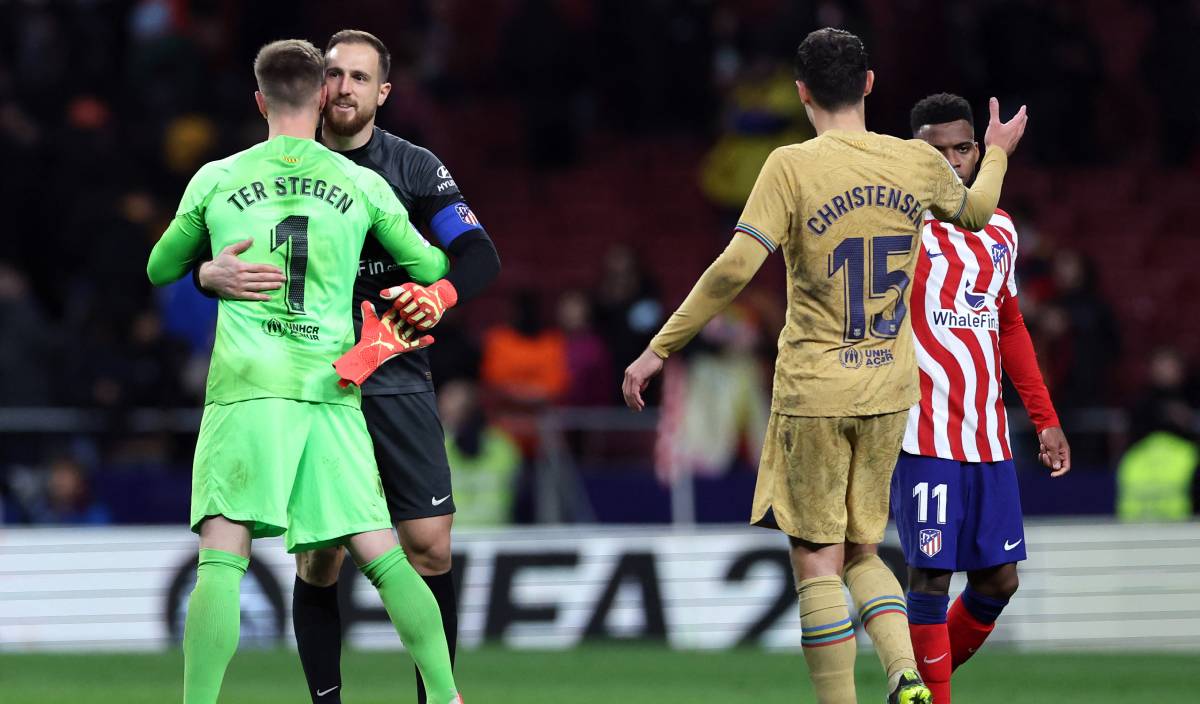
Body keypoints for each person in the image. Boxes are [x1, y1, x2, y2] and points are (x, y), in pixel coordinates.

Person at [623, 28, 1028, 704]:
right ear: (869, 85)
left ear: (801, 92)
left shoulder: (790, 166)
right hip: (889, 393)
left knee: (816, 559)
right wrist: (997, 154)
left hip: (814, 391)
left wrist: (658, 347)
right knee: (865, 552)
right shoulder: (916, 162)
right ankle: (906, 675)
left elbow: (733, 271)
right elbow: (979, 212)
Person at [146, 39, 461, 704]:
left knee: (223, 563)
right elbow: (432, 269)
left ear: (259, 102)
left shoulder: (217, 178)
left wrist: (209, 271)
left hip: (247, 387)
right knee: (386, 557)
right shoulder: (364, 183)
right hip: (332, 389)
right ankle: (443, 694)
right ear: (322, 99)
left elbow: (158, 269)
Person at [892, 93, 1071, 703]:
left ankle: (915, 685)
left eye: (962, 148)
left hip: (988, 437)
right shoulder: (900, 223)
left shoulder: (1001, 229)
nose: (950, 161)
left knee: (1000, 579)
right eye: (933, 150)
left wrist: (1045, 419)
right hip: (922, 434)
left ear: (976, 151)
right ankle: (932, 698)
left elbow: (1011, 325)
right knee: (931, 574)